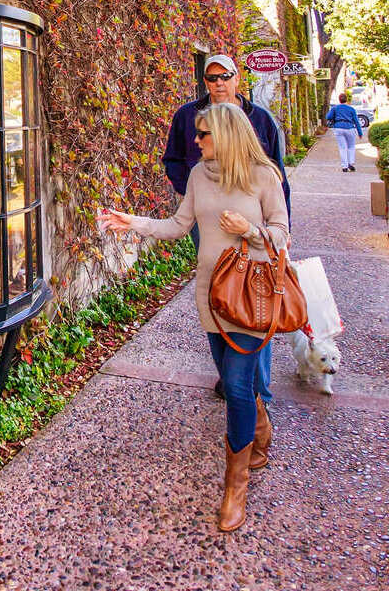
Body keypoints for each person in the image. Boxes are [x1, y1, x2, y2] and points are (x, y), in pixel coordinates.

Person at [99, 103, 289, 532]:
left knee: (237, 387)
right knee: (233, 376)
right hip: (210, 296)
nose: (196, 141)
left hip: (250, 295)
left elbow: (281, 234)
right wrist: (133, 223)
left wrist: (250, 230)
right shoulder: (199, 176)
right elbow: (179, 225)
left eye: (203, 134)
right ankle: (259, 418)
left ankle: (234, 484)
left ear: (226, 135)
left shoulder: (264, 177)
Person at [162, 54, 290, 407]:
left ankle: (255, 391)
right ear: (205, 81)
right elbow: (173, 159)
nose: (218, 83)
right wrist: (189, 189)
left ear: (237, 79)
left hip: (253, 227)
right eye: (211, 77)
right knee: (220, 294)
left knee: (254, 305)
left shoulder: (259, 119)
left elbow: (277, 175)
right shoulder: (189, 117)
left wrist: (278, 232)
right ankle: (234, 377)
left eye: (225, 77)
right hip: (208, 220)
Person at [326, 92, 363, 171]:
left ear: (339, 100)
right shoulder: (351, 109)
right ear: (346, 99)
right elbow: (356, 121)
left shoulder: (335, 108)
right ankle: (351, 163)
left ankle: (344, 166)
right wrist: (360, 133)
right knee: (351, 146)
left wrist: (335, 117)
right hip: (349, 128)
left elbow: (328, 117)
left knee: (342, 147)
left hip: (339, 128)